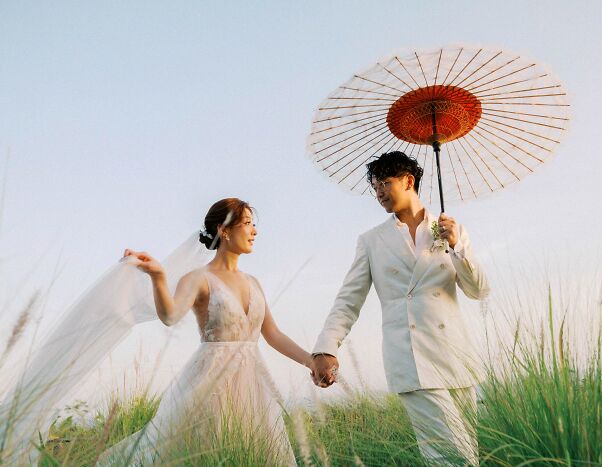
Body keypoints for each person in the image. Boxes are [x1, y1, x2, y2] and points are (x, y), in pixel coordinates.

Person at [309, 151, 490, 465]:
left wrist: (457, 246)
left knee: (467, 451)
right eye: (375, 186)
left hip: (456, 355)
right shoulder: (372, 241)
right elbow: (348, 299)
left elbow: (478, 290)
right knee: (451, 455)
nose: (378, 192)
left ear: (409, 181)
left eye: (385, 183)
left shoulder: (448, 230)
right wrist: (327, 346)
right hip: (411, 358)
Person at [99, 198, 309, 465]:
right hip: (211, 384)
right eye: (247, 224)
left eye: (254, 225)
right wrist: (158, 276)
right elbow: (170, 315)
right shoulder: (198, 278)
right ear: (224, 230)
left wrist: (311, 360)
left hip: (253, 385)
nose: (254, 231)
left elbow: (273, 334)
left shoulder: (253, 282)